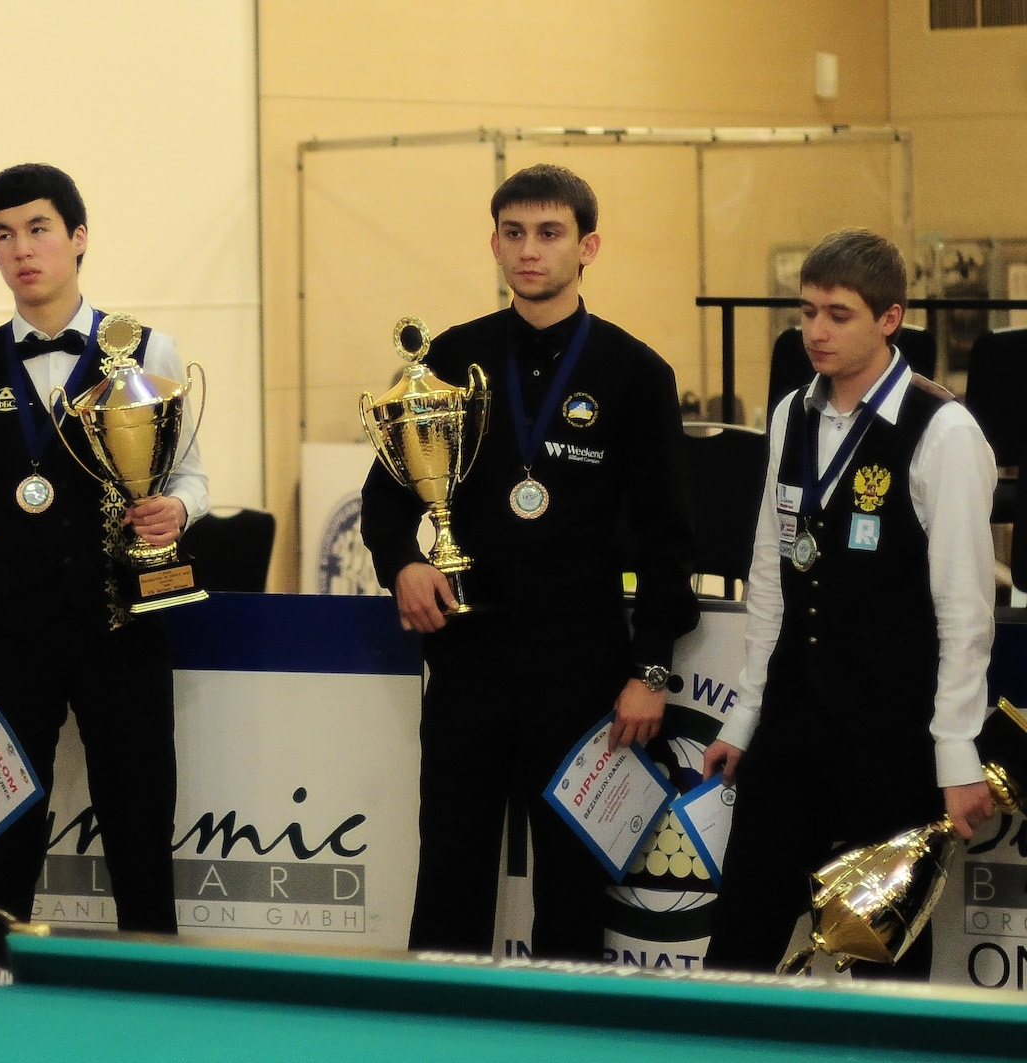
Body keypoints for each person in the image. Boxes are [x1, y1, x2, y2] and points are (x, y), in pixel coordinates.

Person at [360, 163, 697, 959]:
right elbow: (385, 495)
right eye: (513, 233)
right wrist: (402, 563)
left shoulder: (634, 372)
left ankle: (561, 1021)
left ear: (588, 247)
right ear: (495, 244)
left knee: (572, 886)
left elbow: (668, 536)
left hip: (580, 666)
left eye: (549, 233)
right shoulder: (450, 357)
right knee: (451, 868)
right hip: (469, 656)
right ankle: (439, 1018)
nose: (529, 250)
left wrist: (650, 669)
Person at [0, 163, 207, 931]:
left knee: (141, 836)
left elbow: (194, 476)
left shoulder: (146, 348)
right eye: (3, 234)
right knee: (2, 842)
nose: (22, 248)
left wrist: (178, 506)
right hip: (10, 632)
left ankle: (149, 993)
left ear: (78, 237)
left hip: (125, 624)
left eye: (39, 228)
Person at [701, 228, 997, 979]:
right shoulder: (789, 414)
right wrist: (746, 713)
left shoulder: (944, 430)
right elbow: (769, 572)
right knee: (739, 939)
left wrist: (956, 750)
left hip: (890, 734)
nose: (817, 332)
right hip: (792, 720)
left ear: (890, 319)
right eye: (807, 313)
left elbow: (965, 611)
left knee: (885, 959)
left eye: (839, 314)